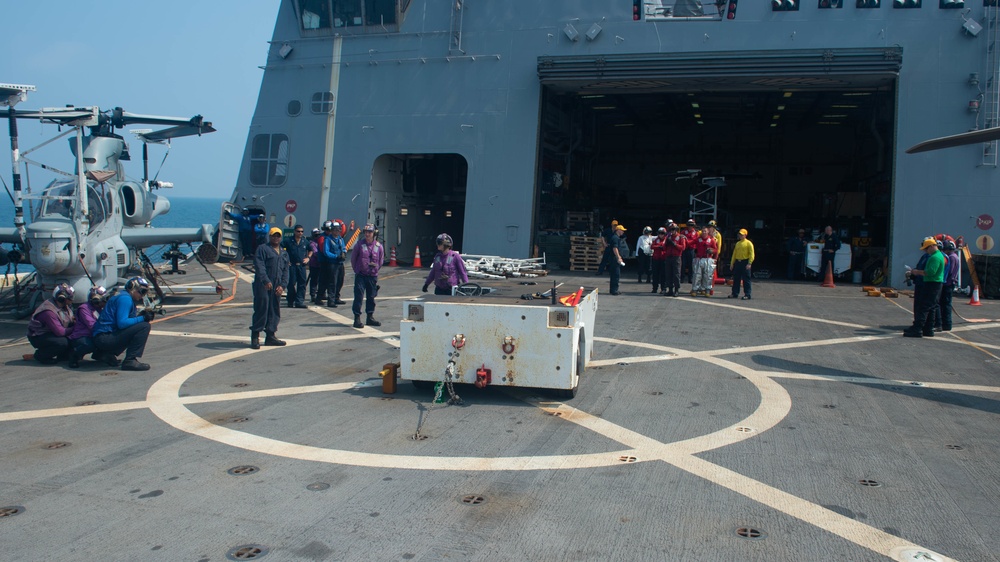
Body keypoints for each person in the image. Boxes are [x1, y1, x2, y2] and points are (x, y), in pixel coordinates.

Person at [92, 277, 154, 371]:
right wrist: (143, 318)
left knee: (136, 326)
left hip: (101, 337)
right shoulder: (125, 299)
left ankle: (104, 353)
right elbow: (122, 323)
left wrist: (139, 316)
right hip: (105, 338)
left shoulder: (122, 296)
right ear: (132, 288)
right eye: (142, 291)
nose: (143, 295)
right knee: (144, 326)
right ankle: (130, 360)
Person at [251, 227, 290, 349]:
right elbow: (259, 266)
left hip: (277, 285)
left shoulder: (284, 252)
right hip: (263, 285)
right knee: (262, 308)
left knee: (274, 310)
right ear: (270, 236)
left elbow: (285, 270)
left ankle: (270, 335)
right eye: (274, 235)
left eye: (278, 236)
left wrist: (283, 285)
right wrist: (265, 280)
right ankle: (255, 336)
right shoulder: (262, 249)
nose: (276, 238)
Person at [26, 283, 77, 364]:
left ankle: (63, 355)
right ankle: (41, 355)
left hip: (50, 333)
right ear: (62, 299)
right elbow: (60, 332)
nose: (72, 300)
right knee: (63, 342)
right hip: (39, 336)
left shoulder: (63, 306)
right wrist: (75, 328)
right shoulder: (49, 311)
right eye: (70, 298)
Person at [904, 238, 944, 338]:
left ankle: (917, 328)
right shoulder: (938, 256)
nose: (926, 251)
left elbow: (930, 272)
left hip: (932, 284)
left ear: (931, 246)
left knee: (924, 307)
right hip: (936, 284)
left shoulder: (934, 257)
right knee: (931, 307)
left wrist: (916, 272)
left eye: (926, 249)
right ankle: (928, 328)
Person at [350, 224, 385, 328]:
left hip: (372, 276)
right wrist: (357, 270)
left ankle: (370, 316)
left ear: (374, 233)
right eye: (366, 232)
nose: (367, 234)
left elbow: (381, 260)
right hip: (361, 275)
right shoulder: (359, 245)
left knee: (371, 296)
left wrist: (375, 270)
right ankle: (357, 318)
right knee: (358, 296)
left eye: (369, 232)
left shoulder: (379, 247)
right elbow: (353, 259)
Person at [68, 286, 110, 368]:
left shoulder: (101, 309)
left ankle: (101, 355)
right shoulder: (84, 309)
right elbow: (92, 325)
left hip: (95, 334)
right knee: (89, 345)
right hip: (82, 336)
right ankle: (74, 356)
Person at [281, 224, 311, 308]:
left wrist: (308, 258)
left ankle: (299, 301)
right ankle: (291, 300)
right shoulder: (288, 241)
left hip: (301, 266)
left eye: (302, 231)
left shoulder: (305, 241)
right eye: (298, 231)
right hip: (292, 266)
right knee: (290, 283)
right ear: (294, 231)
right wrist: (285, 259)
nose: (300, 233)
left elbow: (311, 249)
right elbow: (281, 248)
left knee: (302, 284)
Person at [938, 239, 960, 332]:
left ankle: (946, 323)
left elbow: (948, 271)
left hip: (948, 284)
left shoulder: (951, 257)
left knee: (945, 304)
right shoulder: (955, 256)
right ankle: (946, 323)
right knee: (946, 304)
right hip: (951, 283)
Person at [728, 228, 754, 300]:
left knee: (746, 279)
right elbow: (734, 254)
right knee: (736, 278)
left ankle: (747, 294)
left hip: (745, 262)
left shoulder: (748, 243)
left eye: (742, 235)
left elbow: (752, 254)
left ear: (745, 235)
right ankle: (735, 293)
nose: (740, 236)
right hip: (738, 262)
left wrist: (749, 263)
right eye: (740, 234)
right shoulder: (738, 243)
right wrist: (732, 263)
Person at [692, 228, 718, 297]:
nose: (704, 232)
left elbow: (716, 250)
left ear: (708, 232)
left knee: (708, 276)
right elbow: (690, 243)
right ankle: (695, 289)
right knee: (697, 275)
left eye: (705, 231)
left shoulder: (711, 240)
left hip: (708, 259)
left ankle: (707, 290)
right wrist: (684, 238)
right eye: (703, 231)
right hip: (699, 259)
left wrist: (711, 251)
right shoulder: (698, 239)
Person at [663, 223, 686, 297]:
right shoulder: (668, 237)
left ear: (676, 230)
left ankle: (676, 290)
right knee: (668, 273)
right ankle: (670, 289)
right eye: (670, 230)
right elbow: (664, 247)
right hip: (668, 257)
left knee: (676, 274)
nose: (672, 231)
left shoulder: (680, 237)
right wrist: (666, 244)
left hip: (676, 257)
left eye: (673, 229)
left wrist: (674, 244)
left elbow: (683, 247)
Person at [608, 224, 628, 295]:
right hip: (614, 259)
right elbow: (615, 248)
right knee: (616, 274)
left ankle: (613, 289)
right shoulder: (615, 238)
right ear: (618, 230)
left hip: (613, 258)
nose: (623, 232)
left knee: (614, 274)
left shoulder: (615, 237)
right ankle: (614, 290)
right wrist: (618, 257)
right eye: (622, 230)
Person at [650, 227, 669, 294]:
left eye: (662, 233)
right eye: (660, 233)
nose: (661, 235)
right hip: (656, 259)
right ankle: (654, 288)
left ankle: (663, 288)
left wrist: (660, 247)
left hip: (663, 259)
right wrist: (659, 247)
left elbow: (667, 248)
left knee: (663, 275)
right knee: (655, 274)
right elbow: (652, 246)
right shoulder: (656, 239)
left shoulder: (667, 240)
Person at [681, 219, 699, 284]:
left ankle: (690, 278)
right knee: (683, 264)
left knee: (691, 265)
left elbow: (696, 241)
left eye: (691, 225)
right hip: (684, 250)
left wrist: (688, 241)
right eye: (689, 225)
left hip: (692, 250)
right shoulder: (683, 232)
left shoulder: (696, 233)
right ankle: (682, 278)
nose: (690, 226)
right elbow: (682, 240)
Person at [307, 228, 322, 303]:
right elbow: (315, 252)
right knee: (314, 280)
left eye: (319, 235)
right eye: (316, 235)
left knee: (321, 280)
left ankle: (321, 294)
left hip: (321, 264)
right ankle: (313, 295)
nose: (317, 236)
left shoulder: (321, 241)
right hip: (314, 264)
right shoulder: (312, 243)